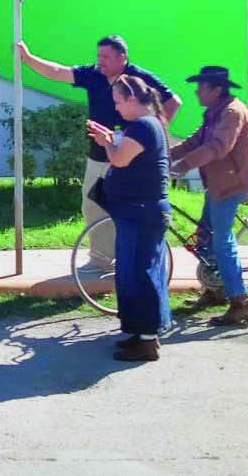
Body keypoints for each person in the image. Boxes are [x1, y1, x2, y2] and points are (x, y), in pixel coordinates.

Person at [17, 35, 181, 271]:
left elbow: (174, 101)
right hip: (98, 153)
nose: (99, 61)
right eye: (98, 55)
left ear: (122, 57)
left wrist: (150, 133)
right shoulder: (94, 74)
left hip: (128, 158)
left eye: (105, 56)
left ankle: (126, 259)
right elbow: (57, 71)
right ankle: (101, 259)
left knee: (126, 209)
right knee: (92, 203)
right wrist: (28, 58)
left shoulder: (138, 79)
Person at [169, 66, 248, 327]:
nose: (197, 91)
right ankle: (215, 290)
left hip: (232, 184)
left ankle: (241, 303)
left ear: (216, 90)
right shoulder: (215, 112)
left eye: (202, 86)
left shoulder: (232, 113)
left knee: (222, 242)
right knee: (205, 236)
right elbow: (195, 140)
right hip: (219, 183)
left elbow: (217, 147)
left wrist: (183, 165)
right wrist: (164, 155)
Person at [86, 75, 170, 362]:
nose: (117, 108)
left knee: (141, 273)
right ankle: (138, 333)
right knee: (133, 272)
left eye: (119, 102)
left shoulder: (145, 126)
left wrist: (106, 143)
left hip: (140, 212)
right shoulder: (145, 125)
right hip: (136, 212)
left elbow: (120, 159)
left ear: (133, 99)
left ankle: (147, 339)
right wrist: (109, 139)